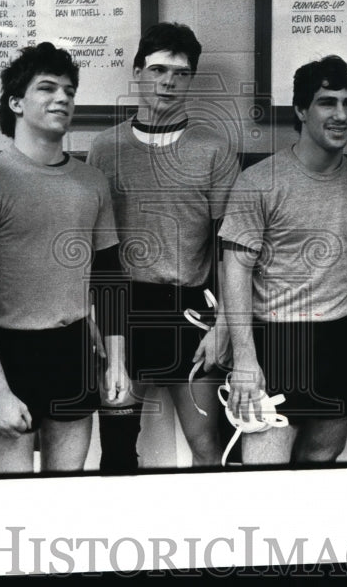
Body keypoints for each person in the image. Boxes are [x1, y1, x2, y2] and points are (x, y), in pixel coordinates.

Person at [0, 43, 129, 474]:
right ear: (15, 102)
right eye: (47, 88)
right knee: (13, 501)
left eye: (69, 90)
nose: (62, 98)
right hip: (11, 355)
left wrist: (117, 362)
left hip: (73, 351)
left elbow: (109, 277)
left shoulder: (92, 182)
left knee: (64, 495)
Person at [219, 55, 347, 465]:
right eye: (327, 102)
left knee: (323, 458)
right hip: (276, 342)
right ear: (300, 110)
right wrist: (245, 360)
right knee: (264, 475)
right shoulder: (259, 182)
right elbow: (236, 269)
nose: (341, 114)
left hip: (338, 340)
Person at [86, 23, 239, 471]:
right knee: (116, 447)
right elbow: (95, 245)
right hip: (122, 309)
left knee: (208, 446)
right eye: (157, 69)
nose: (168, 82)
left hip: (190, 309)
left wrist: (224, 325)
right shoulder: (105, 148)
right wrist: (93, 310)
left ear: (190, 79)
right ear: (137, 72)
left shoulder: (213, 149)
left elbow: (229, 247)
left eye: (180, 72)